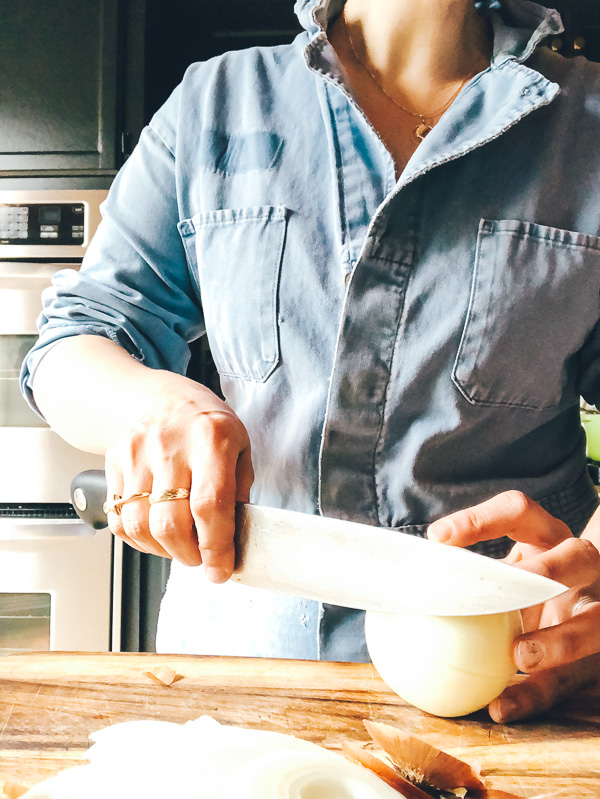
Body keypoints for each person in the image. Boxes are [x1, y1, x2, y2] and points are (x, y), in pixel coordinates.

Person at [21, 0, 600, 722]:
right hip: (235, 689)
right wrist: (159, 403)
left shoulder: (591, 128)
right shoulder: (214, 104)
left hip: (512, 691)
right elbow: (75, 341)